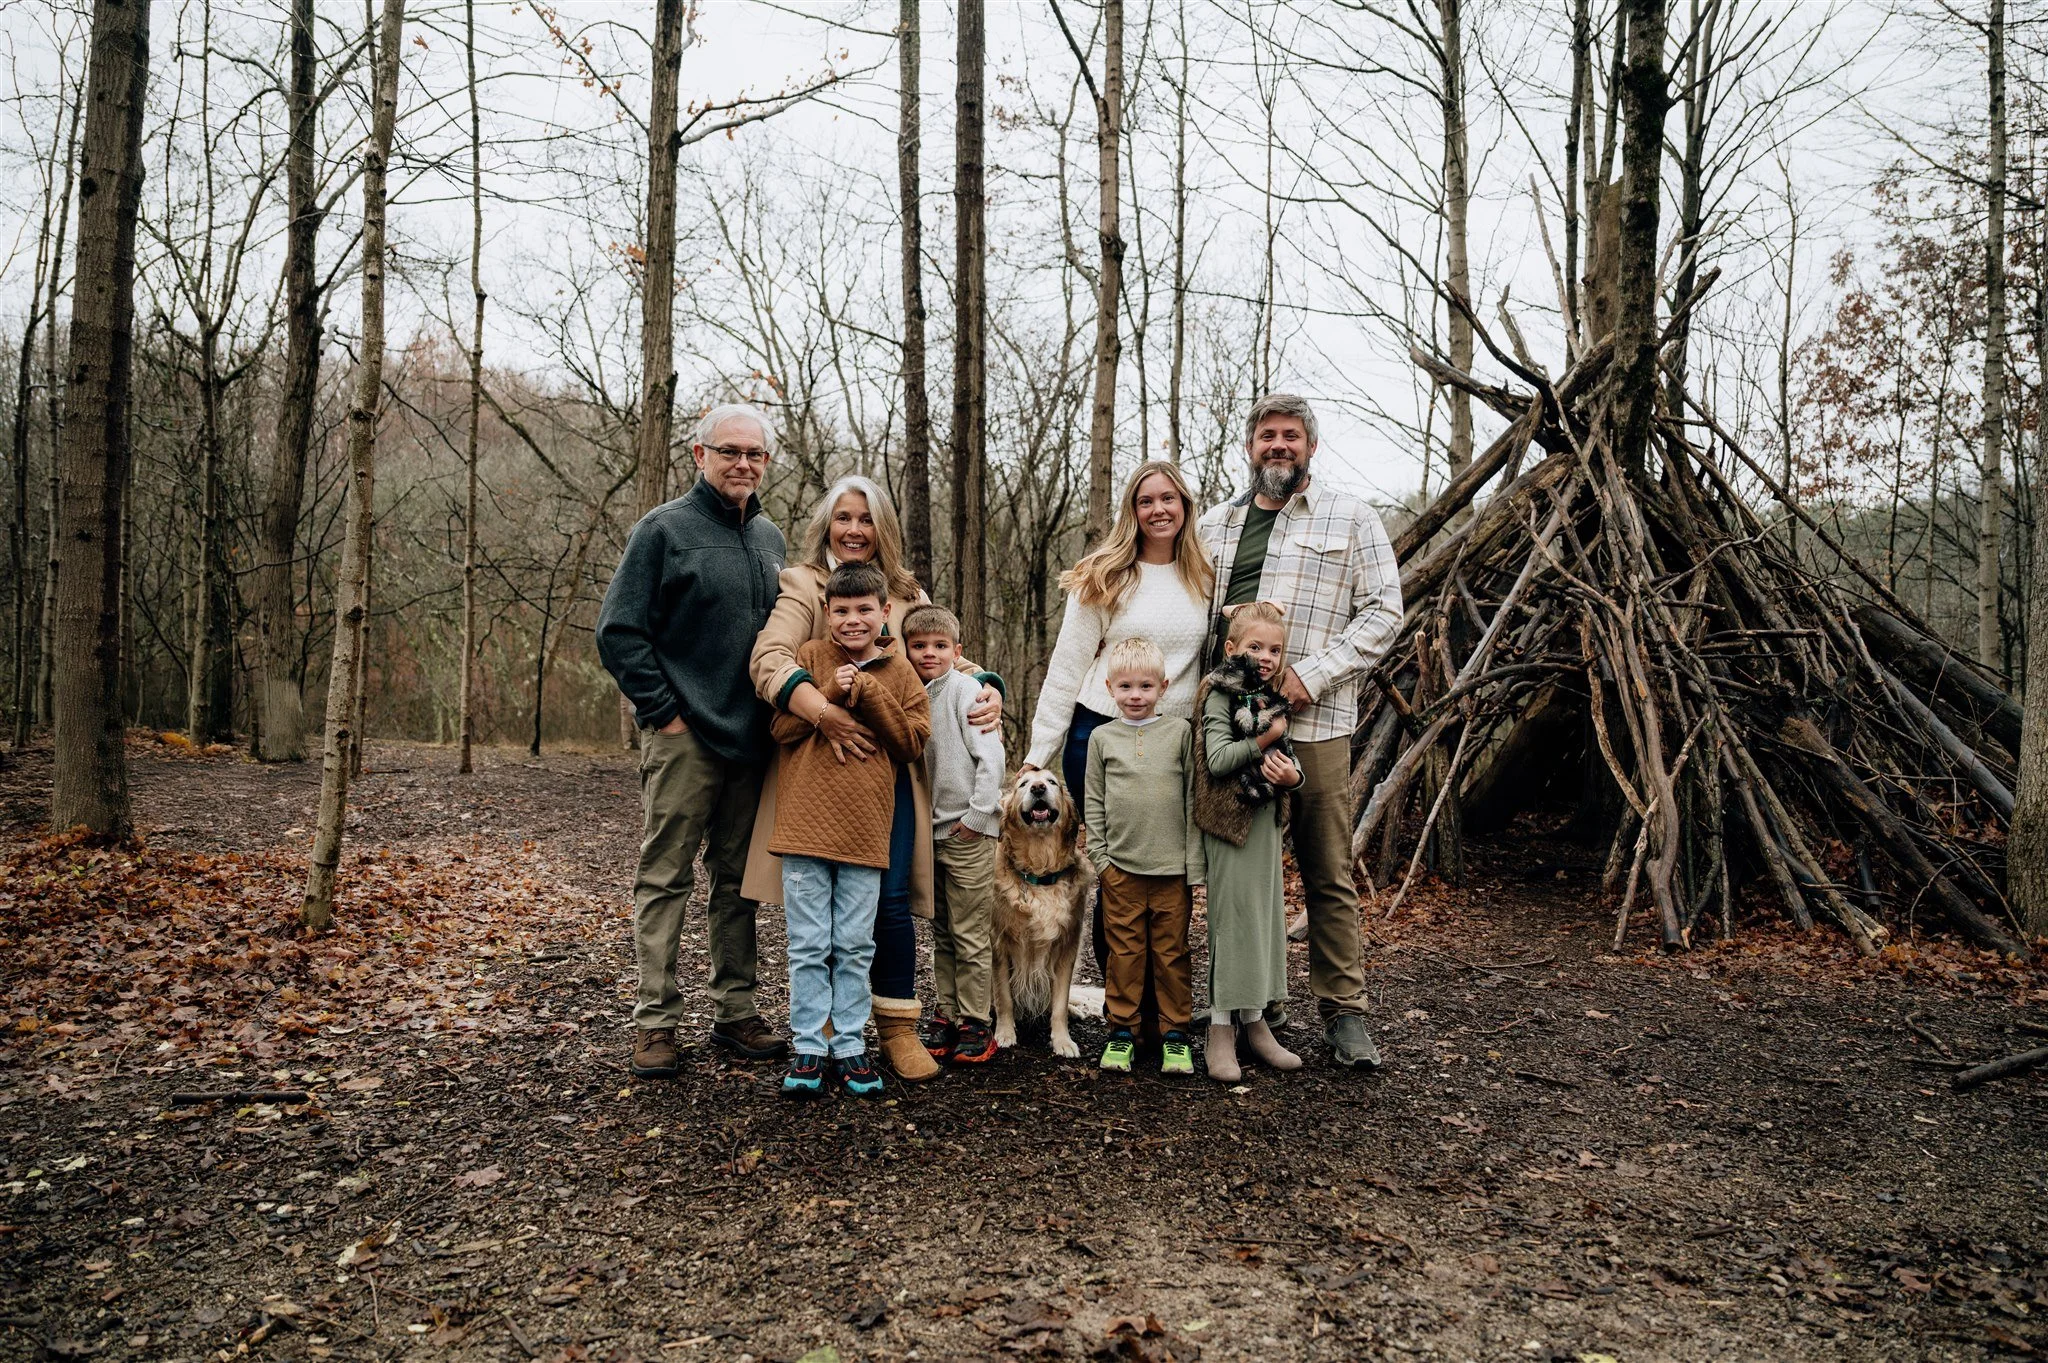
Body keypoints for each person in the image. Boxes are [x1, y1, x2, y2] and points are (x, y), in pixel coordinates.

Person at [745, 475, 1002, 1083]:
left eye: (866, 518)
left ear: (882, 527)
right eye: (843, 518)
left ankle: (894, 1028)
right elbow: (769, 659)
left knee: (887, 902)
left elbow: (940, 651)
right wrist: (823, 712)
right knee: (816, 920)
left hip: (892, 773)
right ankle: (823, 1033)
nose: (854, 529)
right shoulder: (803, 585)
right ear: (826, 527)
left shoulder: (905, 591)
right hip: (819, 773)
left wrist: (986, 682)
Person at [1198, 393, 1402, 1070]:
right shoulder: (1216, 526)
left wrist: (1309, 675)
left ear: (1310, 446)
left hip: (1315, 723)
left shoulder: (1352, 518)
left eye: (1290, 435)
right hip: (1232, 726)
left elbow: (1383, 613)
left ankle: (1344, 1013)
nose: (1277, 445)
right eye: (1266, 435)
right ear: (1249, 447)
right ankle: (1254, 1004)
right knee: (1237, 869)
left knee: (1326, 868)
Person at [596, 402, 791, 1080]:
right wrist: (664, 711)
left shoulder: (770, 538)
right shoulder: (664, 530)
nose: (743, 463)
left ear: (767, 462)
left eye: (755, 454)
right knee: (665, 877)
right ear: (699, 454)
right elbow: (618, 631)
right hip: (683, 739)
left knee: (738, 883)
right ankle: (656, 1023)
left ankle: (736, 1011)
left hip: (752, 740)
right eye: (730, 450)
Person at [1023, 460, 1214, 1025]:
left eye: (1169, 499)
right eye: (1145, 500)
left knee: (1164, 871)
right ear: (1131, 511)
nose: (1159, 510)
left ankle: (1162, 1002)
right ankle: (1123, 1005)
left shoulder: (1204, 575)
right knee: (1114, 869)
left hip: (1173, 741)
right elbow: (1067, 666)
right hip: (1100, 733)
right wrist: (1040, 750)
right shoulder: (1106, 576)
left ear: (1185, 506)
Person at [767, 562, 931, 1097]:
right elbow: (782, 727)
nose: (852, 620)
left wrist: (867, 690)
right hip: (804, 830)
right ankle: (811, 1046)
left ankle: (851, 1046)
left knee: (857, 944)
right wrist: (828, 696)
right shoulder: (811, 658)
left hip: (867, 833)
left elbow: (910, 743)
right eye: (841, 611)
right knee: (810, 944)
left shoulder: (902, 670)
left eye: (864, 610)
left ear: (885, 613)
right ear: (826, 613)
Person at [1193, 603, 1306, 1082]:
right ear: (1231, 648)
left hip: (1263, 825)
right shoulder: (1220, 695)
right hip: (1229, 825)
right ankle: (1221, 1026)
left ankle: (1256, 1021)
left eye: (1275, 649)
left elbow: (1288, 758)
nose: (1265, 656)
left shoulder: (1268, 696)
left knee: (1263, 921)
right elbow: (1218, 759)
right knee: (1233, 922)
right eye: (1255, 647)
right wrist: (1268, 738)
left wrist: (1293, 777)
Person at [1082, 637, 1204, 1077]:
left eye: (1147, 687)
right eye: (1127, 686)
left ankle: (1175, 1035)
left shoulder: (1179, 733)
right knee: (1124, 952)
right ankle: (1122, 1032)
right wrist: (1101, 859)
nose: (1137, 696)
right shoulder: (1102, 738)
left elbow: (1193, 802)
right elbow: (1092, 801)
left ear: (1164, 687)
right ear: (1110, 686)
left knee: (1171, 953)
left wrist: (1194, 866)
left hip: (1172, 872)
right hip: (1121, 870)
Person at [901, 603, 1006, 1066]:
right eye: (919, 646)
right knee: (941, 930)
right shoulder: (907, 692)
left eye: (939, 646)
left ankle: (976, 1021)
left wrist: (979, 817)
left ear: (957, 650)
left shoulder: (967, 691)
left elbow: (992, 758)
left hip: (967, 832)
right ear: (905, 650)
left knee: (970, 932)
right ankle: (946, 1012)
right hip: (930, 835)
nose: (929, 653)